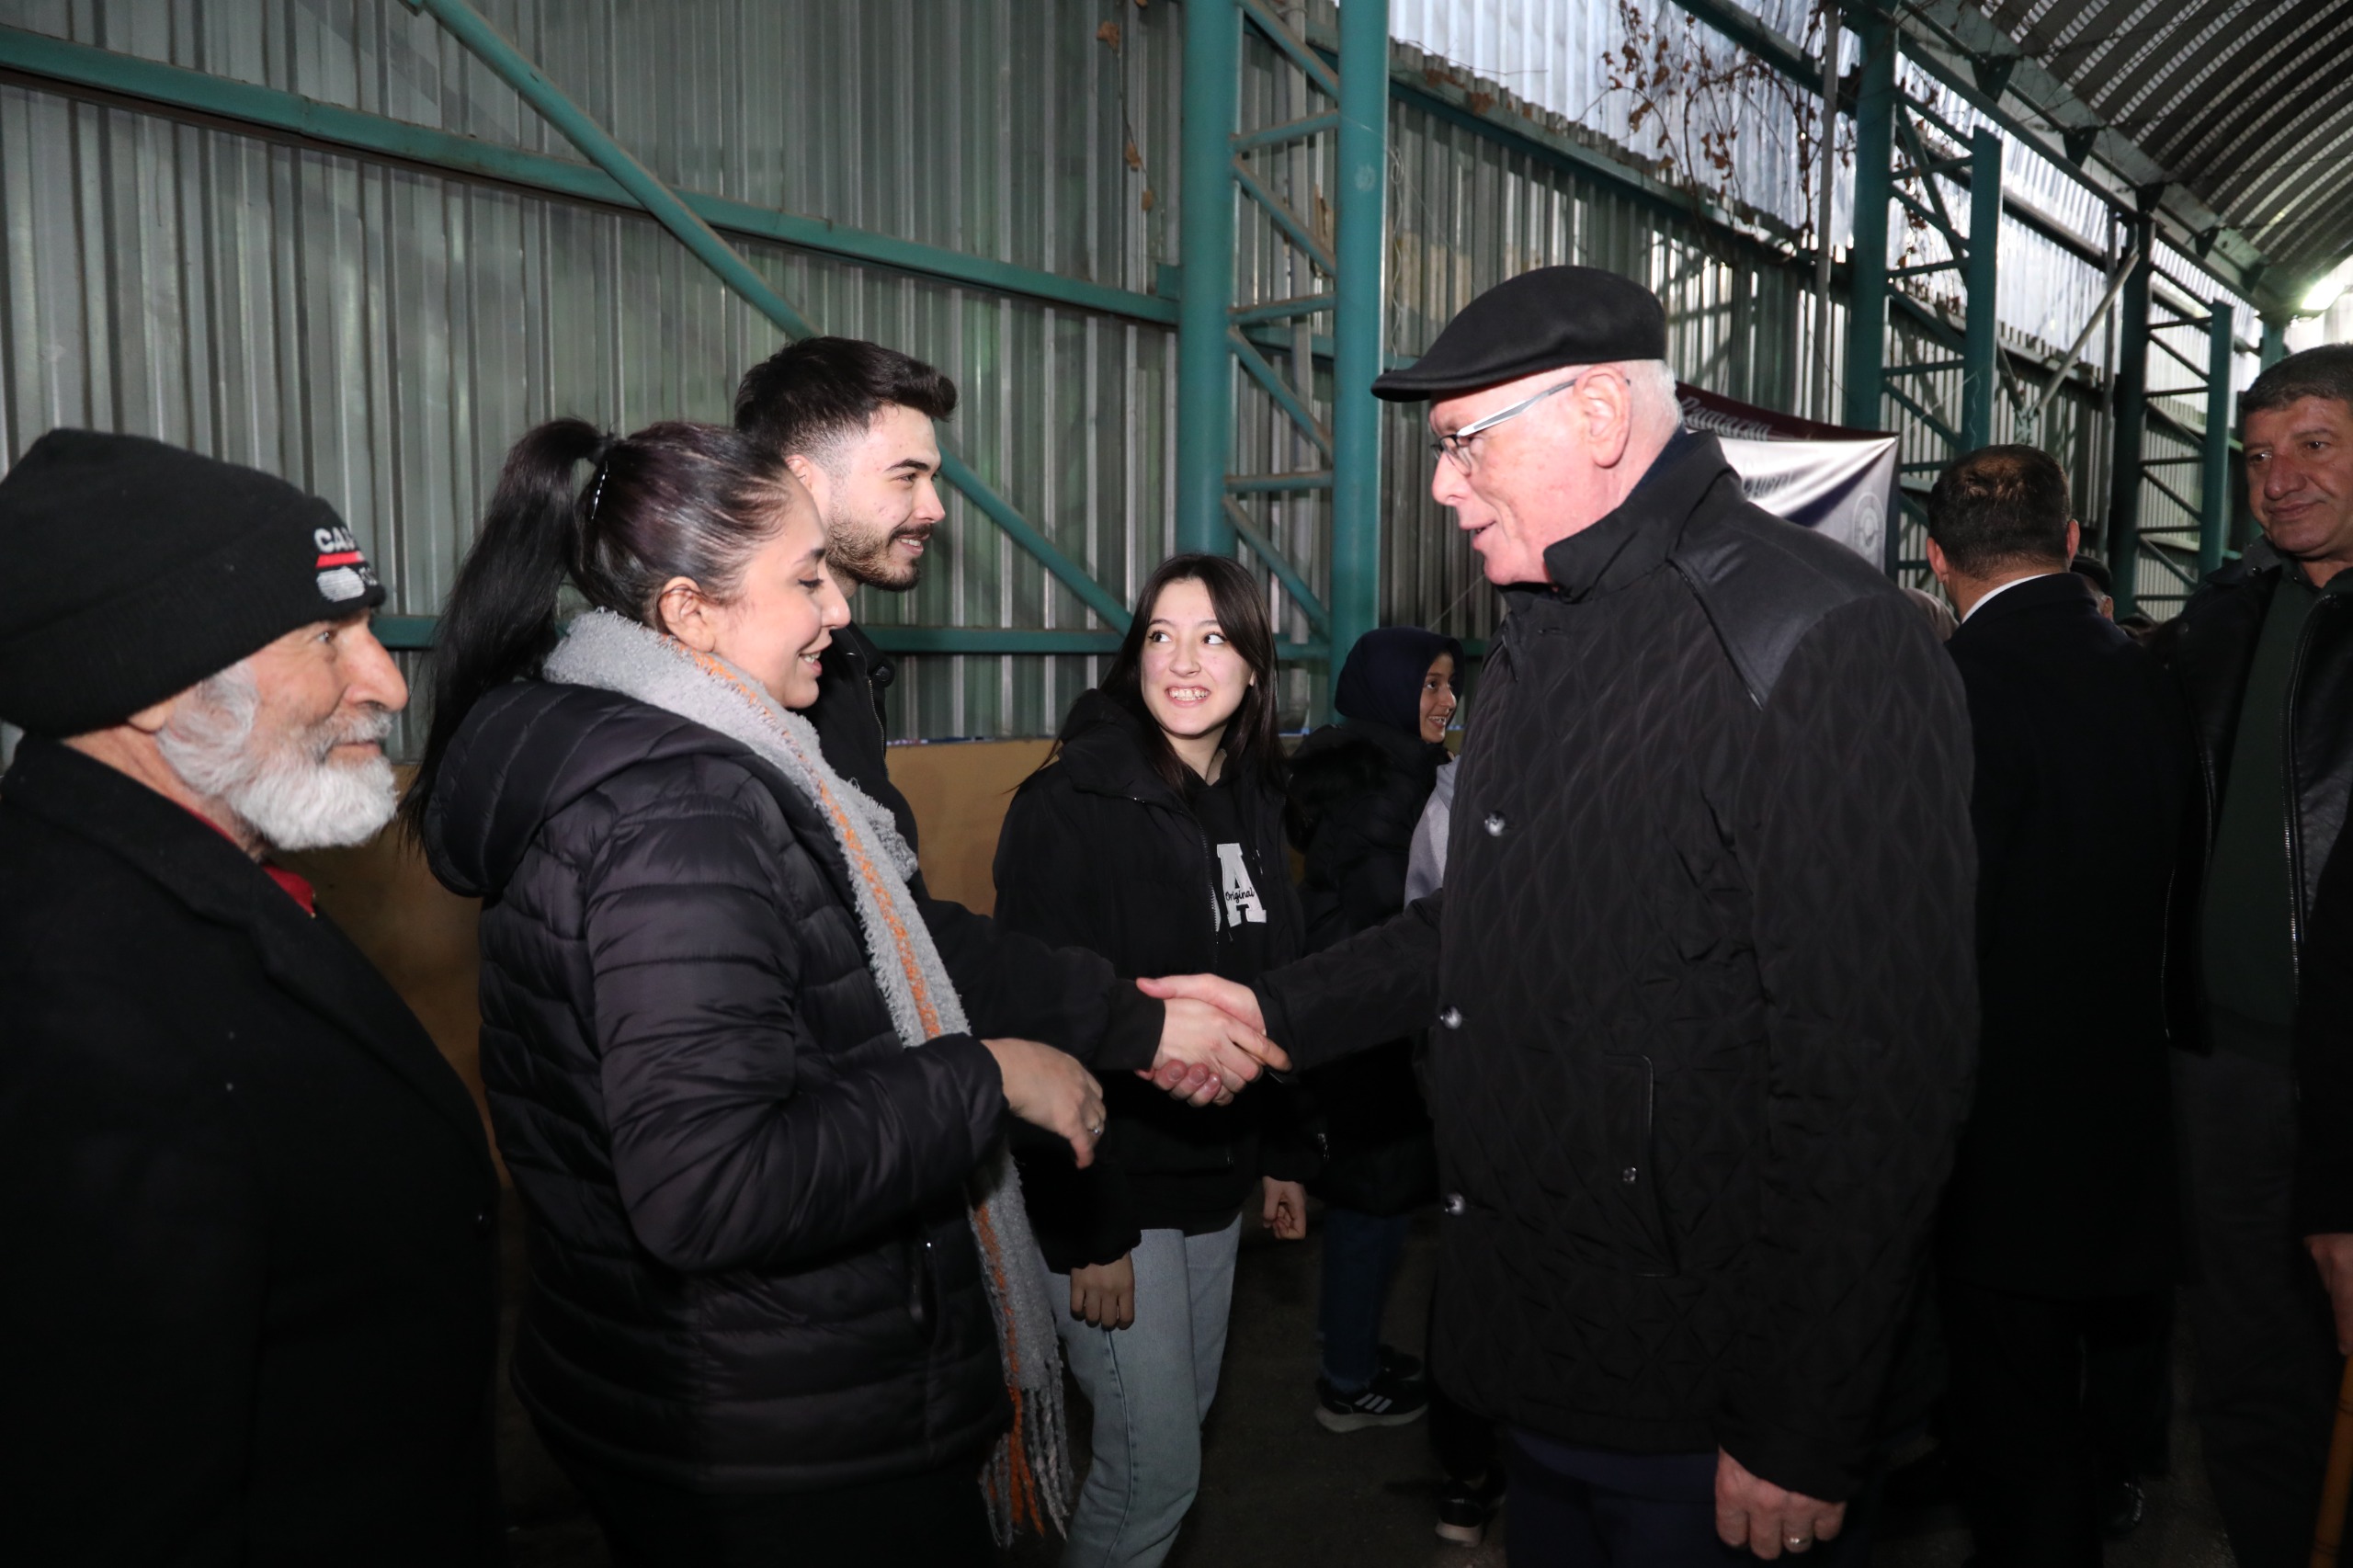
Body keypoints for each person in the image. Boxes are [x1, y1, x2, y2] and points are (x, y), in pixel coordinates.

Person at [1142, 265, 1979, 1563]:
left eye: (1462, 445)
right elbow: (1470, 928)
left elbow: (1878, 1078)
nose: (1439, 486)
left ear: (1597, 416)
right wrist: (1275, 1007)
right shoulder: (1541, 632)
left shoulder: (1820, 640)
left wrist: (1801, 1416)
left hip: (1712, 1399)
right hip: (1545, 1342)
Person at [406, 422, 1274, 1567]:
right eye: (806, 579)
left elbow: (898, 946)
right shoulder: (681, 813)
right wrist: (987, 1075)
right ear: (688, 611)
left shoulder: (700, 763)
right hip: (767, 1424)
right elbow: (715, 1182)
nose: (839, 609)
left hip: (712, 1385)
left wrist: (1132, 1019)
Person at [0, 430, 502, 1563]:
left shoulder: (198, 877)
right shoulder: (72, 1007)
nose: (384, 680)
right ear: (153, 683)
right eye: (329, 636)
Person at [732, 335, 1271, 1095]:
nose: (936, 508)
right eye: (907, 476)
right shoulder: (755, 694)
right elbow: (882, 933)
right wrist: (1135, 1023)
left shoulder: (840, 669)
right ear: (802, 480)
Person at [990, 552, 1315, 1568]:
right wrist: (1090, 1230)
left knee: (1175, 1428)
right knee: (1152, 1470)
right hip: (1113, 1192)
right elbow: (1035, 1030)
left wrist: (1281, 1151)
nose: (1183, 660)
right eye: (1162, 636)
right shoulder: (1067, 806)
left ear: (1256, 668)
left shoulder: (1255, 799)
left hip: (1213, 1182)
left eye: (1214, 636)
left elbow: (1274, 987)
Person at [1922, 445, 2191, 1562]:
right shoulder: (2156, 675)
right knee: (2101, 1370)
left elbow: (1937, 924)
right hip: (2138, 1093)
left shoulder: (1949, 691)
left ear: (1935, 560)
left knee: (2014, 1425)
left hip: (1998, 1128)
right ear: (2075, 543)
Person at [2148, 343, 2353, 1568]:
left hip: (2346, 1074)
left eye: (2315, 444)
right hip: (2218, 1071)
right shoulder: (2219, 622)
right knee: (2243, 1362)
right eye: (2259, 457)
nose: (2278, 479)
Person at [1284, 626, 1460, 1437]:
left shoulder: (1383, 769)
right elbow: (1395, 916)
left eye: (1449, 684)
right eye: (1428, 685)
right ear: (1391, 690)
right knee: (1372, 1210)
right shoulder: (1387, 783)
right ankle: (1346, 1384)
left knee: (1377, 1209)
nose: (1446, 701)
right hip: (1372, 1031)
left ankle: (1349, 1351)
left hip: (1369, 1022)